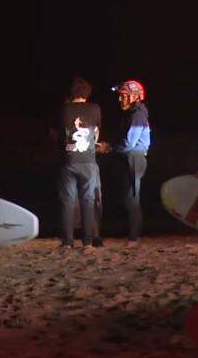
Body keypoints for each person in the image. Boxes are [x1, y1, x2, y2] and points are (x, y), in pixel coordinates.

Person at [58, 78, 102, 250]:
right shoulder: (95, 108)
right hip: (89, 161)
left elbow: (58, 134)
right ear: (87, 93)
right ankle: (88, 241)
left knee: (67, 201)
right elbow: (97, 133)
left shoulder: (64, 111)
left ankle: (67, 242)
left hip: (69, 161)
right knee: (88, 200)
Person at [105, 80, 151, 246]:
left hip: (134, 157)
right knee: (129, 197)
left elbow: (129, 143)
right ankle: (132, 235)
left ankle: (134, 238)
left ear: (134, 97)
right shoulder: (133, 114)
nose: (119, 100)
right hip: (131, 157)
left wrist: (110, 147)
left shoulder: (136, 115)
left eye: (123, 96)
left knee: (132, 197)